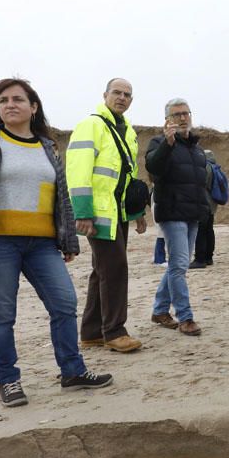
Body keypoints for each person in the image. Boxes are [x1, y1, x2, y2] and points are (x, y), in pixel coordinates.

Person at [0, 78, 113, 407]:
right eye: (2, 100)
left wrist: (68, 240)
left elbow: (60, 198)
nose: (10, 104)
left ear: (33, 107)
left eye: (18, 99)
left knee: (64, 303)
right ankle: (8, 380)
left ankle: (72, 371)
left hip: (41, 244)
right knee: (1, 313)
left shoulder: (48, 148)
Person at [66, 78, 147, 353]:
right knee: (114, 268)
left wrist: (137, 213)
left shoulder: (127, 131)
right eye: (117, 92)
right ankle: (114, 331)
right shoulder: (92, 125)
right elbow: (77, 172)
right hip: (99, 212)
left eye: (127, 94)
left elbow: (129, 177)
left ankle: (91, 332)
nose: (122, 98)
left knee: (101, 270)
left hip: (118, 212)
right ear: (105, 95)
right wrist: (83, 213)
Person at [145, 98, 208, 336]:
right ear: (167, 120)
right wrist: (167, 145)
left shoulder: (195, 147)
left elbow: (199, 181)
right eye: (177, 114)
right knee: (180, 265)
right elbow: (153, 168)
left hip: (192, 213)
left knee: (177, 265)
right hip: (172, 213)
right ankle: (185, 316)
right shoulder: (159, 142)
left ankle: (160, 310)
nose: (183, 118)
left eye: (186, 113)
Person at [190, 149, 220, 269]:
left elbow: (200, 184)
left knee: (201, 231)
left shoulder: (206, 167)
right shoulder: (214, 167)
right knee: (209, 230)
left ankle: (200, 259)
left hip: (204, 203)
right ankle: (209, 257)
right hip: (212, 204)